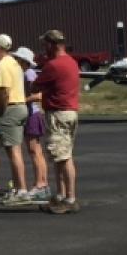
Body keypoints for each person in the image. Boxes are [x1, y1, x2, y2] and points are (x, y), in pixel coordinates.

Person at [33, 30, 81, 214]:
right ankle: (60, 195)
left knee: (63, 157)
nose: (43, 48)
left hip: (58, 113)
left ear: (52, 44)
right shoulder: (71, 62)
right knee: (60, 155)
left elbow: (35, 85)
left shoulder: (53, 65)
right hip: (70, 111)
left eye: (45, 44)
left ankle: (70, 198)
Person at [0, 34, 30, 206]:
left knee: (13, 153)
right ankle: (18, 189)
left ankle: (22, 190)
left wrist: (1, 112)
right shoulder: (13, 62)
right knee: (15, 151)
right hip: (20, 107)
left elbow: (4, 92)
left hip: (10, 109)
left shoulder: (3, 65)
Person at [12, 46, 50, 201]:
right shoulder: (22, 73)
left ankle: (41, 183)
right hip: (28, 113)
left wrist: (21, 100)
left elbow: (39, 95)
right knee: (35, 150)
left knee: (34, 150)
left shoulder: (29, 74)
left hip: (32, 114)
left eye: (18, 59)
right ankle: (42, 183)